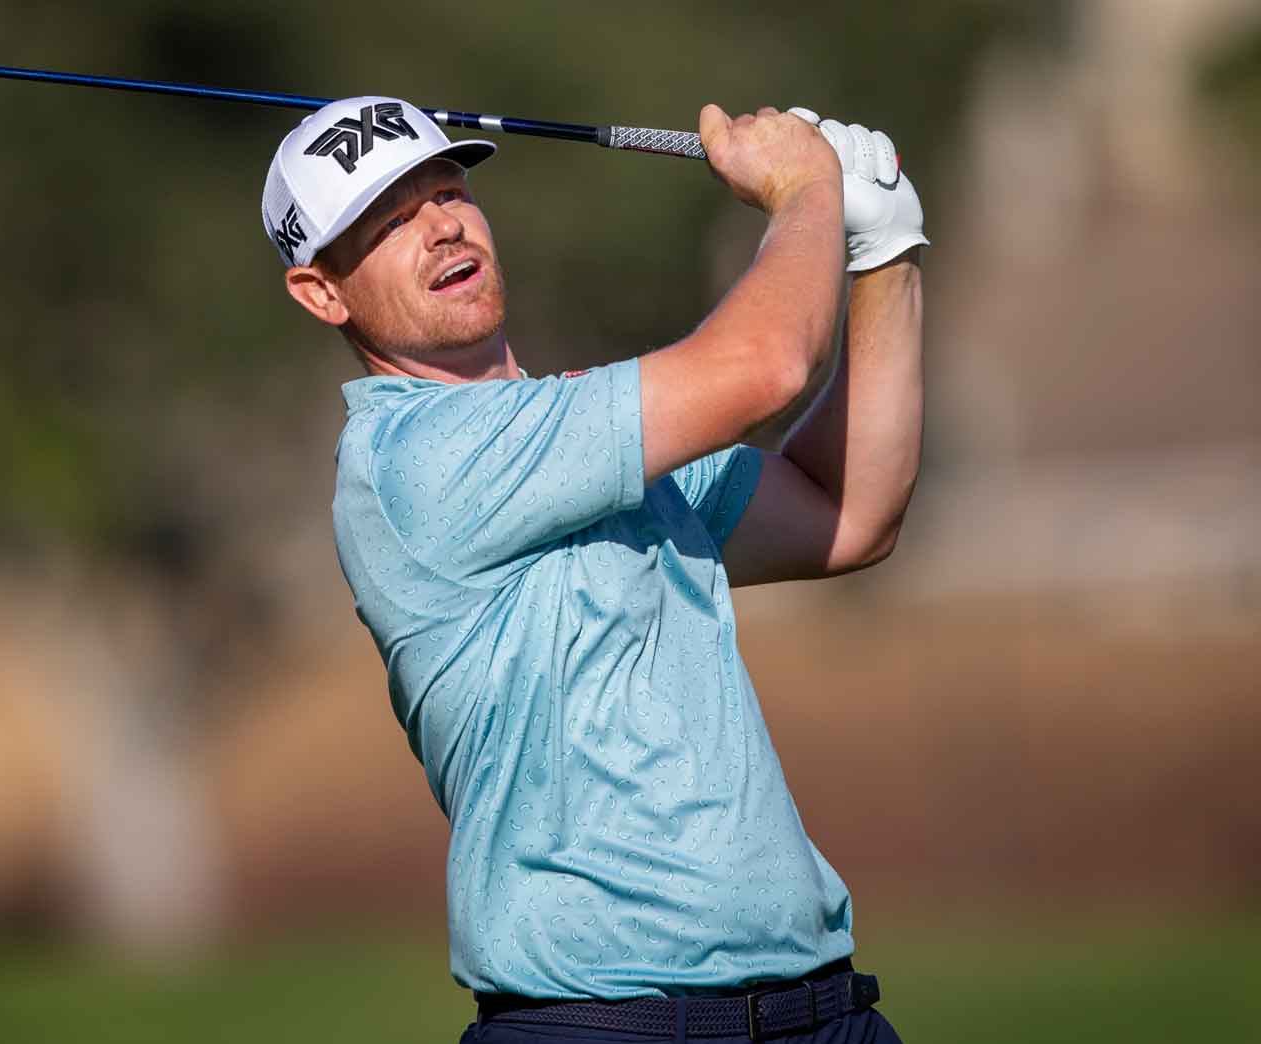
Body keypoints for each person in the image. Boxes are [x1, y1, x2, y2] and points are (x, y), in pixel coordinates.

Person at [263, 95, 925, 1043]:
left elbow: (849, 512)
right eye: (389, 224)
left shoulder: (582, 430)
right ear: (323, 294)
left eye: (448, 192)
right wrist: (807, 191)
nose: (442, 225)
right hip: (598, 1025)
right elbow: (768, 366)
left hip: (821, 1010)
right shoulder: (413, 463)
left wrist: (884, 251)